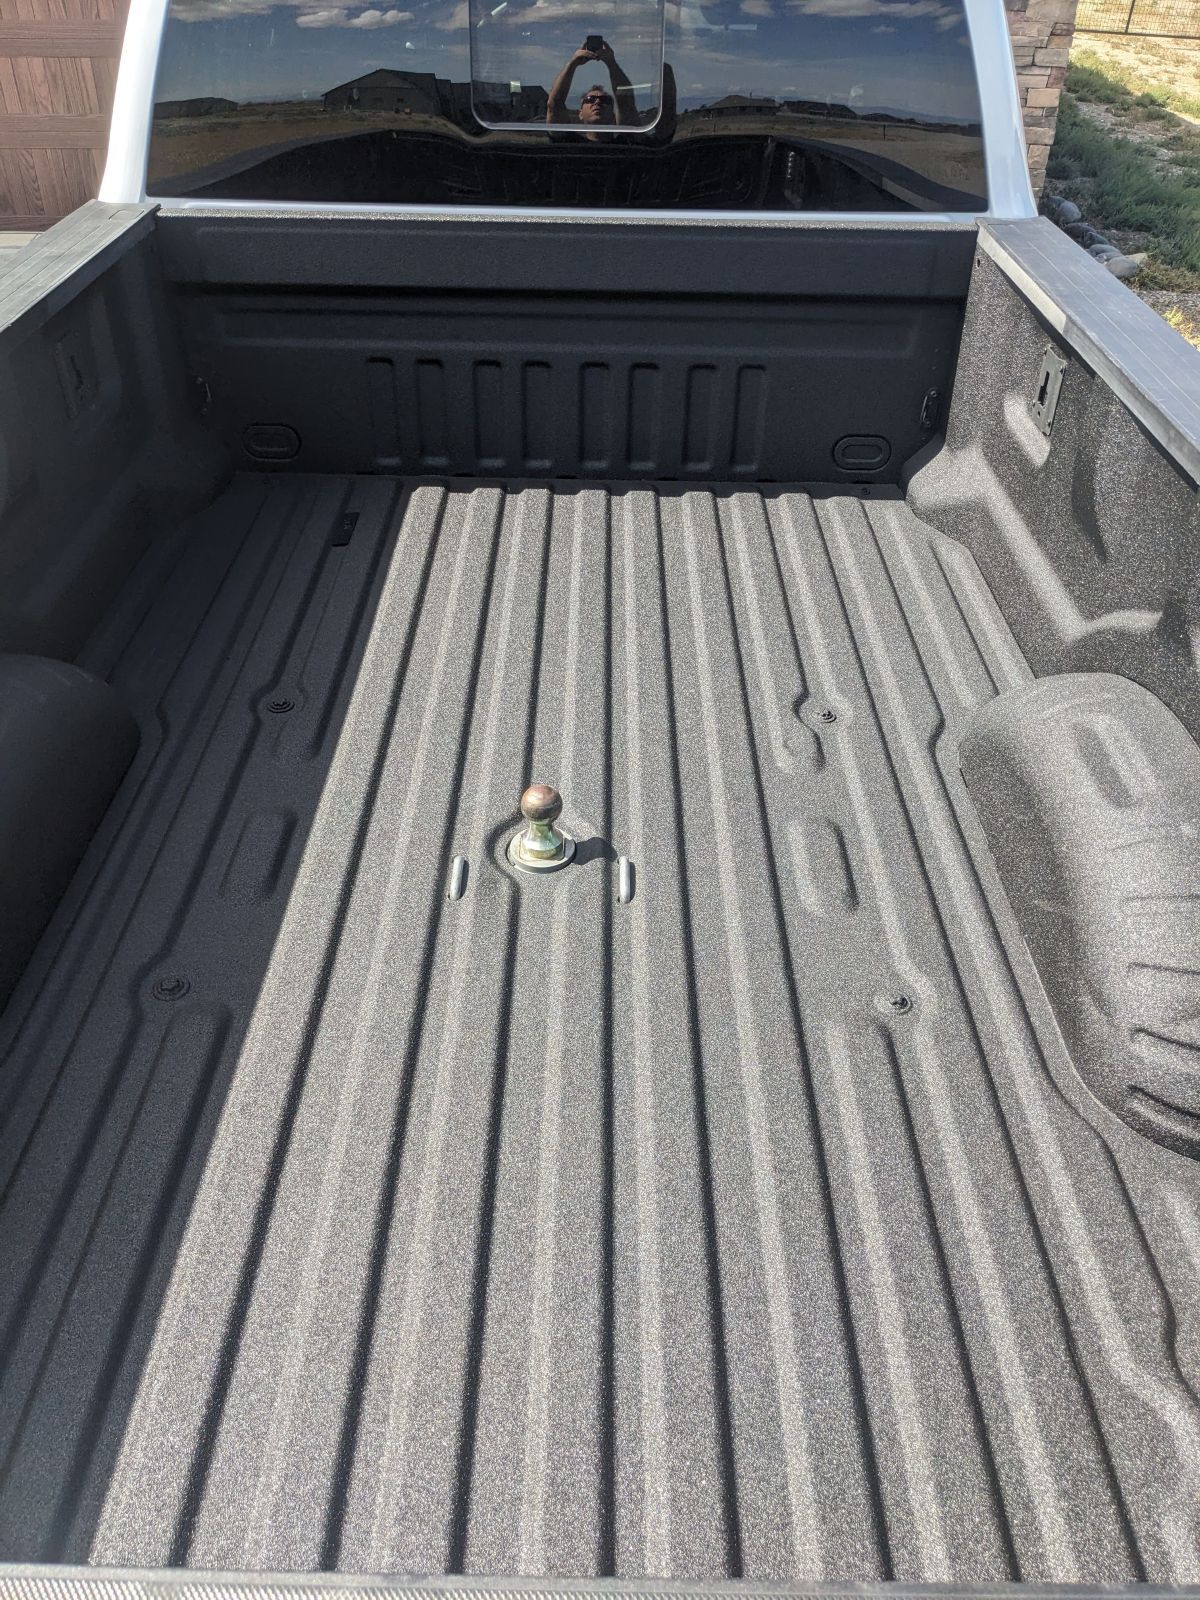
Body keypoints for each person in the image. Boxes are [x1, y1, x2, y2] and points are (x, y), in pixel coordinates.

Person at [546, 40, 639, 135]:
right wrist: (572, 63)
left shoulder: (625, 141)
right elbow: (555, 105)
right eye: (590, 99)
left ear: (613, 115)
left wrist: (611, 63)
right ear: (580, 113)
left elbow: (626, 104)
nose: (598, 102)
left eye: (605, 100)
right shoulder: (569, 142)